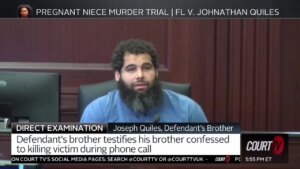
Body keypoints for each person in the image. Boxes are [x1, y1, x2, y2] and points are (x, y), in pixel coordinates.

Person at [80, 39, 208, 122]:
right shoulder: (97, 112)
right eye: (131, 69)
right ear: (118, 75)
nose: (140, 75)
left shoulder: (188, 110)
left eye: (146, 68)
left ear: (156, 72)